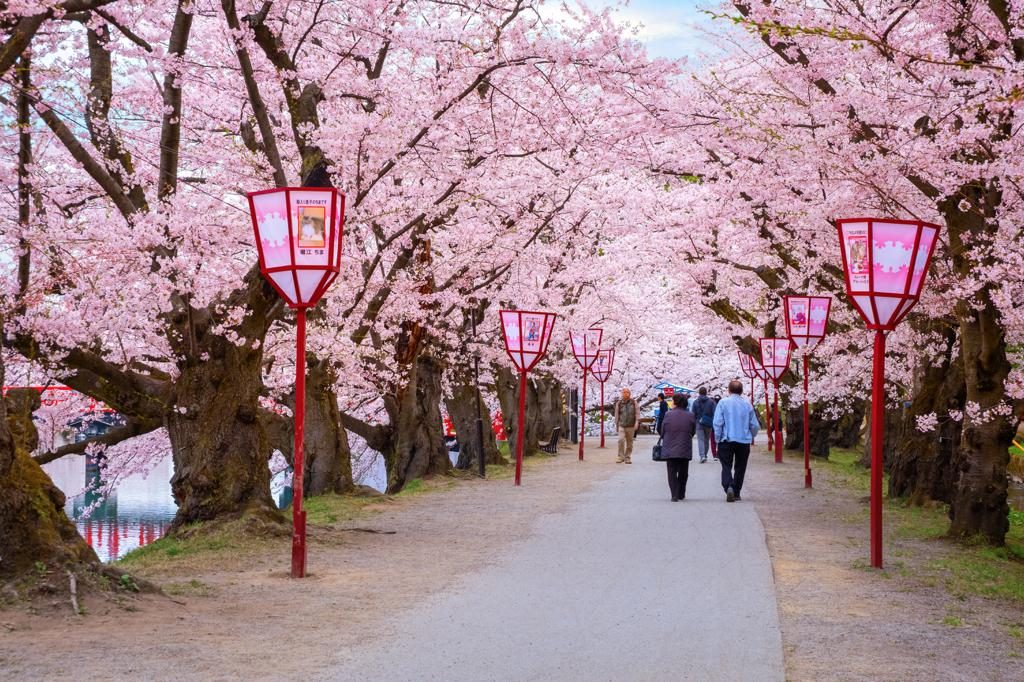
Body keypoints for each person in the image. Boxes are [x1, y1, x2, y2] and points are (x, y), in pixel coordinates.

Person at [713, 380, 760, 502]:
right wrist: (751, 435)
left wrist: (717, 438)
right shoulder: (747, 404)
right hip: (743, 441)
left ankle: (729, 486)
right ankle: (737, 491)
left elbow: (717, 423)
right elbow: (754, 425)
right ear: (742, 391)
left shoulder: (723, 403)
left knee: (726, 465)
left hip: (726, 439)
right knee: (740, 466)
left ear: (728, 390)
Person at [658, 394, 696, 501]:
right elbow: (693, 431)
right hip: (684, 446)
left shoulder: (668, 414)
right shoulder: (691, 415)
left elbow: (663, 430)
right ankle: (681, 493)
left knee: (671, 471)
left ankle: (674, 494)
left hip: (670, 446)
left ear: (675, 402)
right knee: (683, 471)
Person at [613, 388, 639, 464]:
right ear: (622, 394)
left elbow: (637, 413)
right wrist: (616, 424)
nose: (625, 394)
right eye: (624, 392)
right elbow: (617, 414)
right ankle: (620, 456)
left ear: (629, 394)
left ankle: (627, 457)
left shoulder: (634, 402)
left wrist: (637, 422)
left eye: (627, 392)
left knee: (629, 443)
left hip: (631, 425)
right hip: (622, 425)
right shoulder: (619, 403)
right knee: (620, 440)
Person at [692, 387, 716, 463]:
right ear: (706, 392)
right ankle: (705, 455)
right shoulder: (712, 402)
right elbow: (714, 413)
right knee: (706, 440)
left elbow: (693, 414)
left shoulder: (695, 402)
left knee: (701, 440)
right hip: (708, 423)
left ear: (699, 393)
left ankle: (702, 456)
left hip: (698, 423)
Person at [710, 394, 722, 460]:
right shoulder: (722, 406)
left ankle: (715, 454)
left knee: (713, 441)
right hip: (720, 425)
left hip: (712, 425)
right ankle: (718, 453)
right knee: (720, 440)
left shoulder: (712, 405)